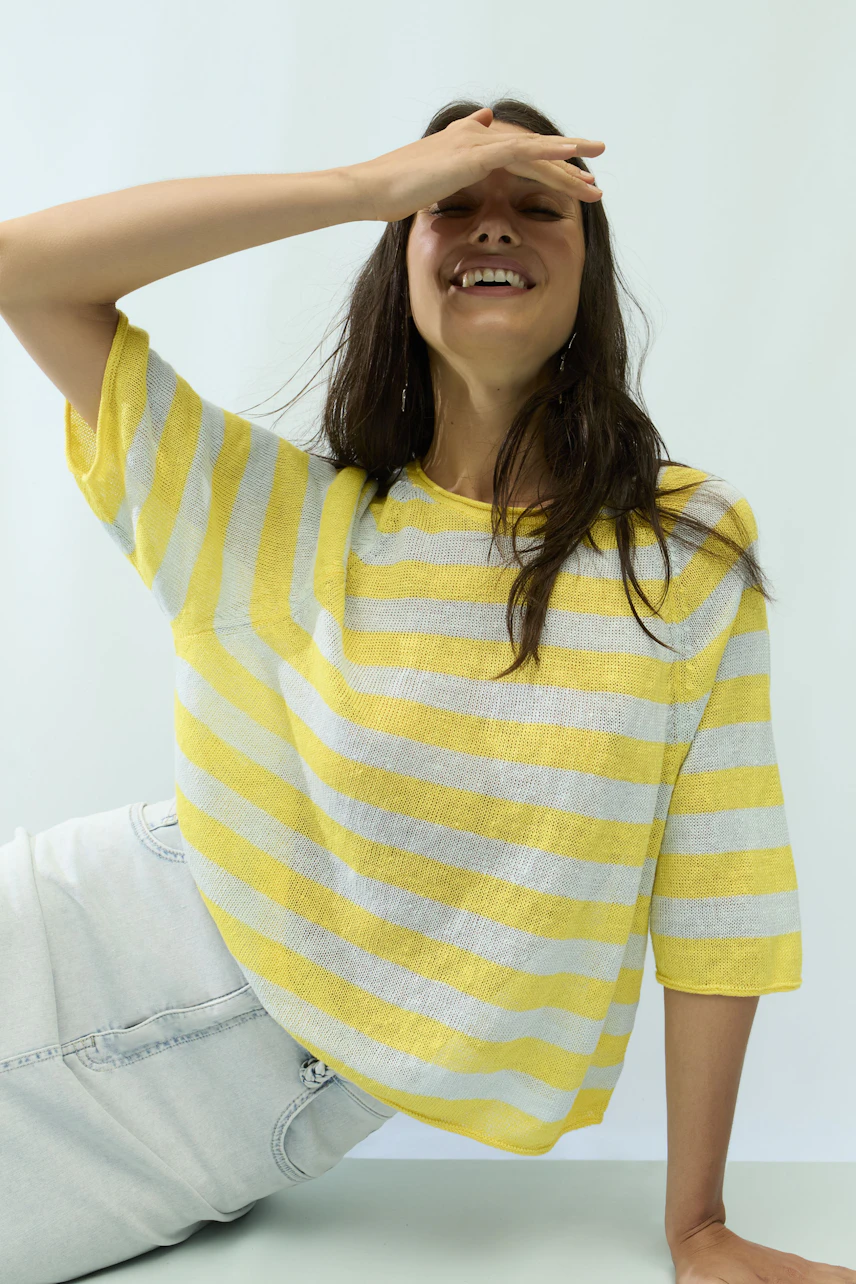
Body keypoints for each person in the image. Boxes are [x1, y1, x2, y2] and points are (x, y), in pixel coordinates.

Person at [1, 98, 844, 1283]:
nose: (491, 226)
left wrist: (697, 1227)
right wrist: (360, 185)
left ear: (585, 276)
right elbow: (21, 270)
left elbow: (723, 885)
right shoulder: (271, 517)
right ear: (401, 252)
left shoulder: (680, 550)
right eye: (450, 204)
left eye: (534, 206)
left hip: (242, 1117)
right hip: (78, 942)